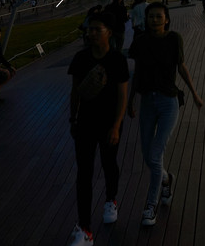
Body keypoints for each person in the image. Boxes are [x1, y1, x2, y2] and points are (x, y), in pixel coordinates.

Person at [127, 2, 204, 227]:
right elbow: (138, 72)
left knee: (155, 154)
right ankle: (167, 179)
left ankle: (150, 206)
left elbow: (181, 67)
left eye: (159, 16)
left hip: (169, 101)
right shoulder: (140, 41)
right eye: (151, 16)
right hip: (147, 102)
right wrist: (132, 99)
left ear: (166, 19)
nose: (155, 20)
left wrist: (195, 94)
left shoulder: (174, 39)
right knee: (147, 154)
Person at [67, 13, 129, 246]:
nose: (90, 33)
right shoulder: (80, 58)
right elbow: (75, 92)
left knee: (109, 163)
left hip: (109, 123)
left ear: (108, 32)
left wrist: (116, 125)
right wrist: (72, 119)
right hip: (85, 122)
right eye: (88, 29)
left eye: (96, 29)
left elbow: (122, 94)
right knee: (84, 173)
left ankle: (111, 199)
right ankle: (85, 228)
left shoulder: (117, 60)